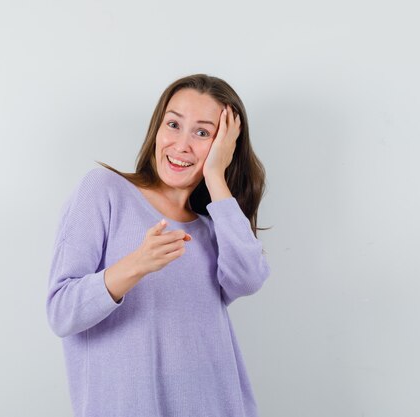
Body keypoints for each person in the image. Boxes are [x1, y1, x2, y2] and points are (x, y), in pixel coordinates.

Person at [46, 73, 271, 417]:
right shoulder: (105, 190)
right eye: (173, 124)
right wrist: (137, 264)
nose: (182, 144)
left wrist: (215, 176)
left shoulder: (215, 228)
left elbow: (249, 279)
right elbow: (62, 313)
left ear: (224, 147)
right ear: (157, 128)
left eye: (203, 133)